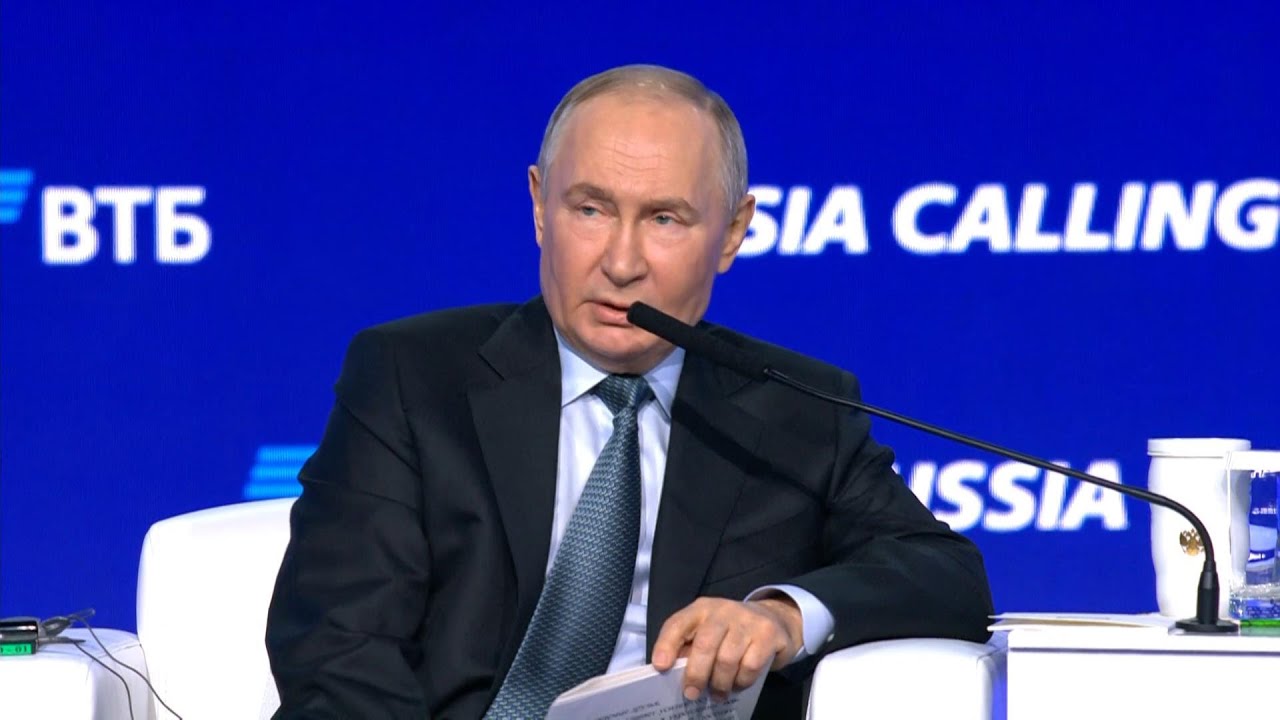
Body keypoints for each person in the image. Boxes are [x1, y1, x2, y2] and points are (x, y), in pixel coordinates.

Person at [265, 64, 993, 719]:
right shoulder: (411, 377)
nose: (621, 263)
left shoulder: (795, 408)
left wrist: (782, 615)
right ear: (539, 205)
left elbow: (945, 575)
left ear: (733, 232)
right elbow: (338, 649)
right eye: (591, 209)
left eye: (664, 219)